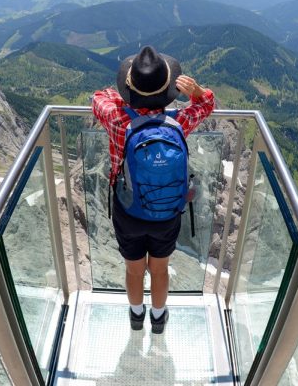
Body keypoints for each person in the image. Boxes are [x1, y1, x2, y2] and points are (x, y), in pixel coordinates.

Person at [92, 45, 214, 334]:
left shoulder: (117, 118)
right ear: (168, 90)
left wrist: (126, 90)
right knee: (159, 270)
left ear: (129, 87)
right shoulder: (179, 121)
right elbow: (207, 104)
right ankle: (158, 320)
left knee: (134, 270)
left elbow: (98, 97)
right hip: (167, 213)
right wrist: (197, 92)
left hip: (128, 210)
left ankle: (136, 317)